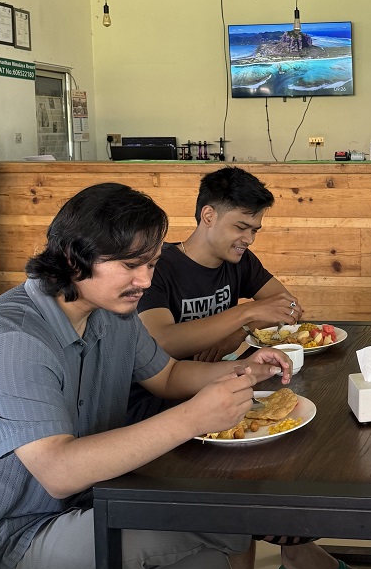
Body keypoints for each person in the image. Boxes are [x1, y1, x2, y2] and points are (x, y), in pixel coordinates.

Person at [0, 183, 362, 569]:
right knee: (228, 514)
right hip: (11, 537)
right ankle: (300, 551)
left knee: (210, 565)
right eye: (130, 266)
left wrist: (246, 370)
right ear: (75, 259)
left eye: (152, 264)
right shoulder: (12, 340)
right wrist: (193, 418)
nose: (144, 281)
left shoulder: (112, 313)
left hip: (97, 499)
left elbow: (168, 375)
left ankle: (296, 547)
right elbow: (58, 472)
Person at [127, 166, 303, 422]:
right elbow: (162, 341)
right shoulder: (158, 266)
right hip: (154, 404)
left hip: (218, 385)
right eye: (241, 227)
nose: (249, 239)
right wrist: (245, 313)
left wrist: (239, 332)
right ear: (208, 216)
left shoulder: (239, 260)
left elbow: (289, 306)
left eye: (254, 230)